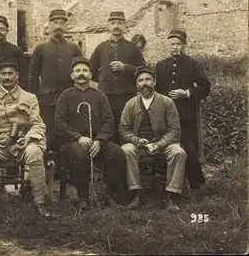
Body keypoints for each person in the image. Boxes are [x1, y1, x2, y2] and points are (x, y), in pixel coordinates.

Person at [0, 56, 51, 227]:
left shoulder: (29, 98)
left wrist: (29, 138)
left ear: (17, 76)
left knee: (35, 153)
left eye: (11, 74)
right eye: (4, 74)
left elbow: (38, 124)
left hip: (22, 145)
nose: (7, 77)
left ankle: (39, 204)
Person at [55, 57, 127, 210]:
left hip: (97, 141)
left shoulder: (100, 96)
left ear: (90, 74)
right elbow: (60, 123)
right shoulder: (65, 96)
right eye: (77, 71)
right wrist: (78, 137)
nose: (81, 74)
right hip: (71, 142)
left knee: (117, 153)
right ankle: (83, 197)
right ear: (72, 75)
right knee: (79, 152)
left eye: (85, 70)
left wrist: (100, 140)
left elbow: (109, 122)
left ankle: (109, 195)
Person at [119, 66, 187, 212]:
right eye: (141, 80)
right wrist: (137, 140)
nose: (145, 83)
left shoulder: (167, 102)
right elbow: (123, 130)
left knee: (178, 152)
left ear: (154, 82)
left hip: (163, 143)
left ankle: (171, 196)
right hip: (139, 145)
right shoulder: (130, 104)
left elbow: (175, 130)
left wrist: (160, 144)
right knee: (126, 150)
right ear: (137, 84)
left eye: (148, 79)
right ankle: (136, 194)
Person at [154, 29, 211, 198]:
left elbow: (205, 87)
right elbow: (154, 89)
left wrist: (186, 93)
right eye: (172, 44)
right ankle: (169, 188)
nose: (175, 47)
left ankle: (197, 186)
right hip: (165, 118)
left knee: (190, 151)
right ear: (168, 45)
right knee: (167, 150)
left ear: (184, 45)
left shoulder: (193, 64)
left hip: (187, 116)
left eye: (178, 44)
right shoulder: (160, 66)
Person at [29, 9, 83, 171]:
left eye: (62, 23)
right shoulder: (41, 49)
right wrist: (34, 98)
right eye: (55, 23)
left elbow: (81, 71)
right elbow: (33, 74)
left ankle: (67, 169)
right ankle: (50, 170)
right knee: (50, 135)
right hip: (47, 100)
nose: (58, 26)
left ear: (66, 26)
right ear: (49, 25)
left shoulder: (74, 48)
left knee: (67, 134)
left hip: (69, 100)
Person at [89, 11, 146, 141]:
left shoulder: (133, 48)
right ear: (108, 26)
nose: (116, 26)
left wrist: (125, 68)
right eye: (113, 23)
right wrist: (104, 79)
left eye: (120, 23)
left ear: (125, 26)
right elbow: (91, 70)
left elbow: (144, 70)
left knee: (127, 128)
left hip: (127, 96)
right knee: (107, 128)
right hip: (106, 96)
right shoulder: (101, 48)